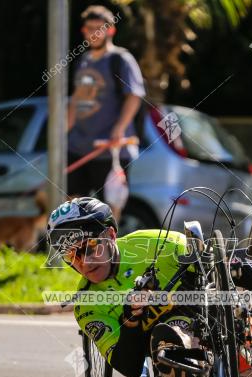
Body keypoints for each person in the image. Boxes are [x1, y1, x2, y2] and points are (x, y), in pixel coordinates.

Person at [47, 197, 252, 377]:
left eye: (91, 247)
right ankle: (182, 367)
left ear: (111, 234)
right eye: (72, 256)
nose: (85, 263)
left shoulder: (155, 243)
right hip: (159, 337)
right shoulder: (87, 306)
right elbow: (128, 366)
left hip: (205, 313)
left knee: (232, 305)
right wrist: (131, 319)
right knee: (170, 333)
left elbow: (225, 264)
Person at [67, 5, 145, 221]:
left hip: (109, 149)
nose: (93, 33)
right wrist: (63, 130)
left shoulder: (121, 60)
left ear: (111, 31)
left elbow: (134, 95)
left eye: (98, 28)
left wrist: (119, 128)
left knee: (109, 207)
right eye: (89, 28)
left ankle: (109, 252)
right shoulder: (82, 61)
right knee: (72, 203)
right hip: (77, 146)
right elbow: (76, 99)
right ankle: (76, 251)